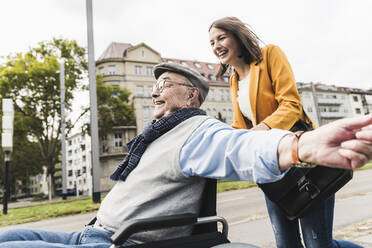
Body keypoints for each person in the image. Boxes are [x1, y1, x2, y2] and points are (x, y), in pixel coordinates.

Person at [1, 62, 371, 248]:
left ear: (191, 96)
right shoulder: (153, 137)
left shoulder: (196, 129)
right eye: (155, 85)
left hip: (116, 241)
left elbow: (236, 147)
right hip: (86, 233)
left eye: (163, 85)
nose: (154, 93)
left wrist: (300, 145)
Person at [208, 16, 363, 248]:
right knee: (286, 244)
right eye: (211, 42)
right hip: (272, 171)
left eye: (221, 38)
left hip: (303, 161)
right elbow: (241, 127)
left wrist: (259, 132)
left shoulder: (269, 54)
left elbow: (291, 104)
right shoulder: (233, 80)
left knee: (318, 245)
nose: (216, 46)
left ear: (238, 37)